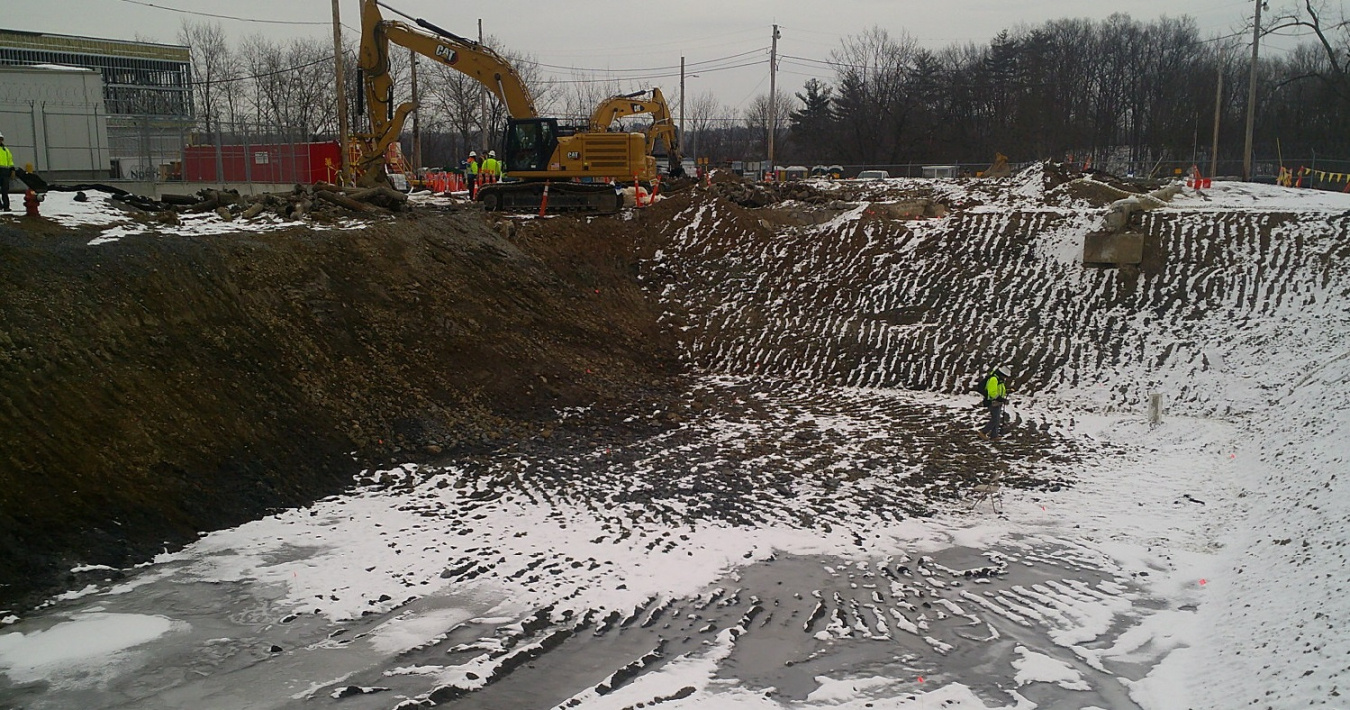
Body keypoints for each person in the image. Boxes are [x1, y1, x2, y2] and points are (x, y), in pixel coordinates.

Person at [979, 365, 1011, 440]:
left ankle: (994, 435)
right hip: (992, 401)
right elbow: (992, 392)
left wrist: (1007, 391)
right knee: (995, 419)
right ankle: (983, 432)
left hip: (997, 402)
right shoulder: (994, 379)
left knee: (997, 419)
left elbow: (999, 390)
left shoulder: (999, 380)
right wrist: (1000, 398)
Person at [0, 132, 14, 212]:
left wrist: (12, 169)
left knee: (5, 191)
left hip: (5, 173)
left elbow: (10, 160)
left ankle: (6, 206)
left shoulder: (6, 150)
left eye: (1, 139)